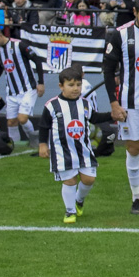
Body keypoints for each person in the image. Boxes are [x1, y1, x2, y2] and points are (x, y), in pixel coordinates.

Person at [103, 0, 139, 215]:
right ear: (135, 11)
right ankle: (137, 196)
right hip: (130, 103)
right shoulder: (119, 34)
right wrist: (113, 102)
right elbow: (108, 70)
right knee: (134, 148)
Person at [38, 65, 114, 224]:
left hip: (83, 149)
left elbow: (95, 118)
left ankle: (79, 200)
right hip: (62, 151)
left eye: (78, 85)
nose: (75, 89)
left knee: (89, 179)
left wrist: (111, 115)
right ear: (61, 86)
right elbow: (44, 126)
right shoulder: (52, 106)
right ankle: (70, 211)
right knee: (70, 180)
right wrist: (42, 144)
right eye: (71, 85)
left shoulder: (85, 104)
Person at [0, 28, 43, 146]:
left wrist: (41, 82)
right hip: (12, 91)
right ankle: (14, 146)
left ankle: (34, 141)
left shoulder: (19, 45)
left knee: (22, 119)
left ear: (0, 36)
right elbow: (0, 66)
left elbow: (37, 61)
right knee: (11, 122)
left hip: (28, 89)